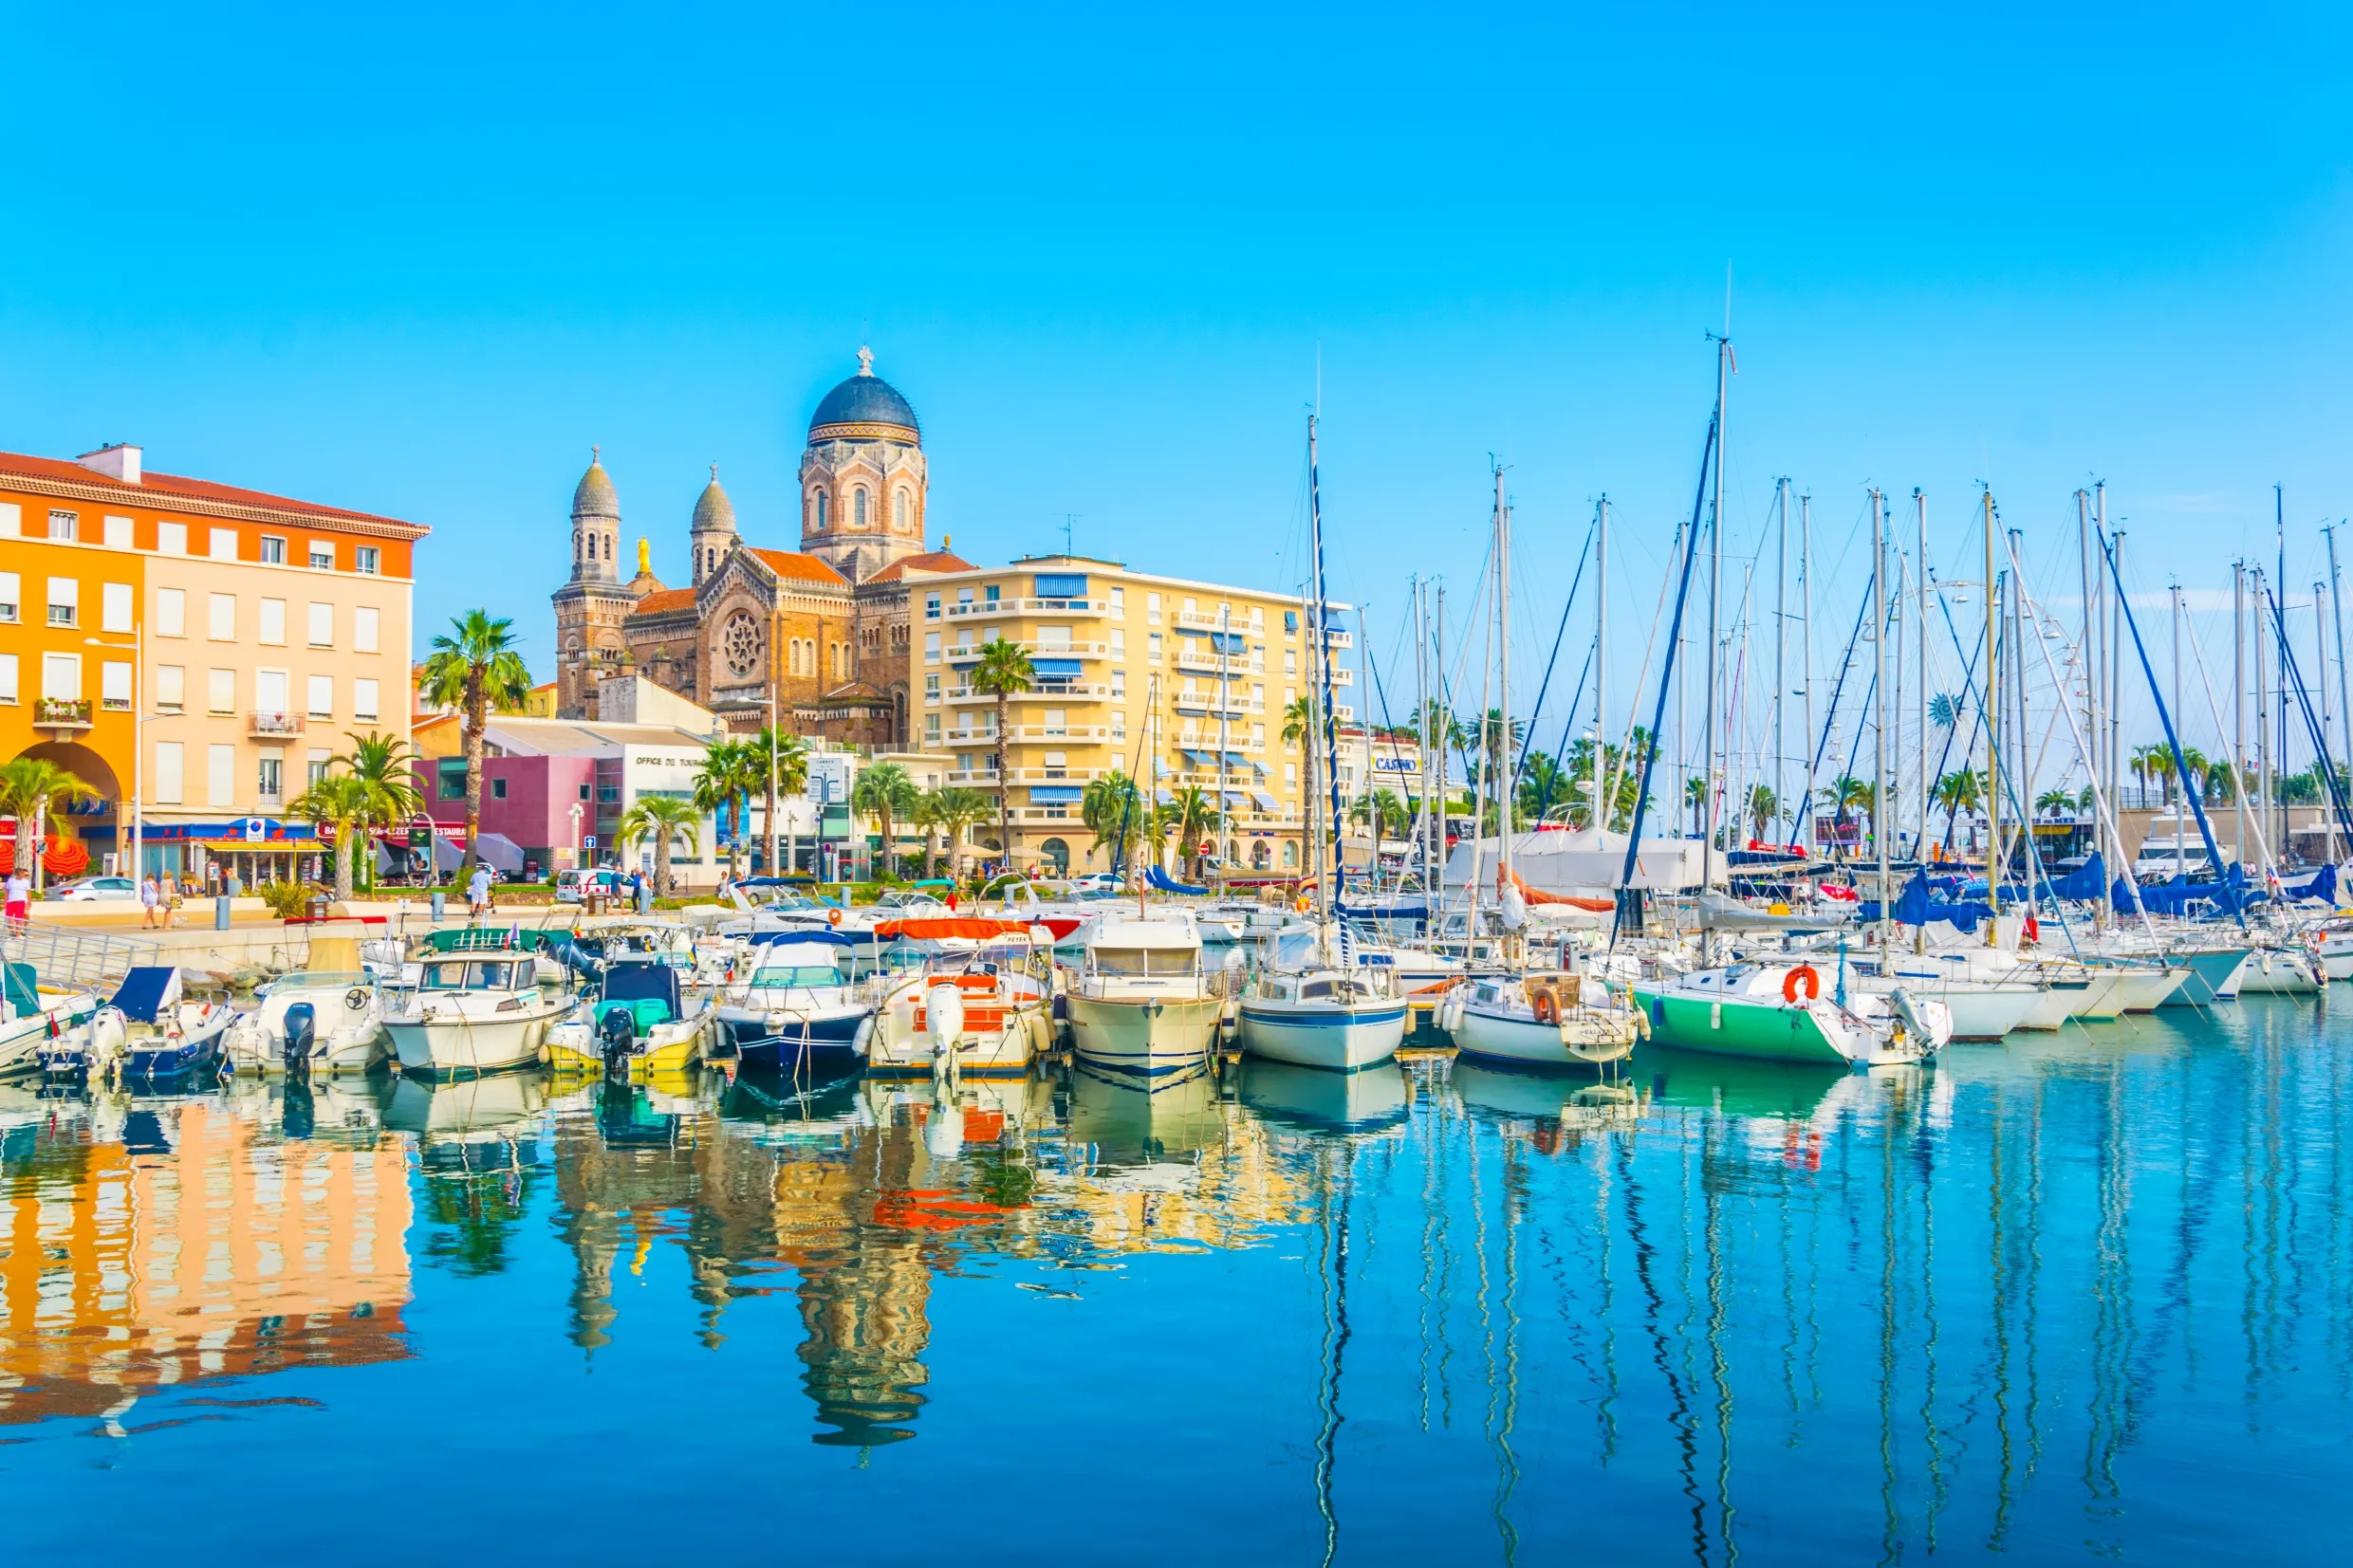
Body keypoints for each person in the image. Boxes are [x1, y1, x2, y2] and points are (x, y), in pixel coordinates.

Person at [4, 867, 28, 934]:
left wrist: (29, 902)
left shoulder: (26, 881)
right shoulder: (10, 881)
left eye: (25, 874)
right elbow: (7, 891)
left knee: (21, 918)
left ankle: (20, 933)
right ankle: (13, 933)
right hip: (10, 902)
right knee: (9, 919)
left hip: (21, 902)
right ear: (17, 874)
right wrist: (5, 901)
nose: (23, 876)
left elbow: (28, 892)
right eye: (22, 874)